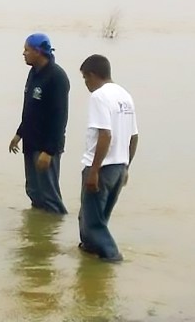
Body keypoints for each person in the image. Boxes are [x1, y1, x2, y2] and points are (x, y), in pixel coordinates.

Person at [77, 54, 138, 262]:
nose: (86, 84)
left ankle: (112, 258)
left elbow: (105, 134)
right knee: (95, 218)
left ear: (93, 75)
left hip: (102, 168)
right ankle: (90, 258)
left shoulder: (99, 97)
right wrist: (126, 166)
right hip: (118, 167)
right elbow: (134, 136)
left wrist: (94, 171)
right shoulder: (125, 96)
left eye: (85, 78)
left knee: (93, 223)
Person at [9, 33, 70, 214]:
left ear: (37, 52)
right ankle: (39, 234)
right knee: (34, 192)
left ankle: (55, 230)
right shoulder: (33, 73)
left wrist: (49, 151)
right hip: (30, 142)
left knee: (49, 195)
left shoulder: (57, 77)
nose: (23, 53)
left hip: (46, 147)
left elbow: (60, 117)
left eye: (27, 50)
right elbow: (30, 109)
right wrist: (19, 134)